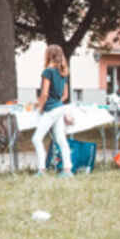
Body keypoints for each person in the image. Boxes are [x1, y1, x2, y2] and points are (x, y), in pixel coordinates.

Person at [30, 45, 75, 175]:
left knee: (37, 138)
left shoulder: (47, 72)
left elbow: (44, 94)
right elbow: (65, 95)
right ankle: (67, 169)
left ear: (49, 55)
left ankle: (41, 169)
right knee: (61, 139)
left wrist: (39, 107)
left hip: (50, 110)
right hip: (59, 107)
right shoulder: (64, 73)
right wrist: (57, 102)